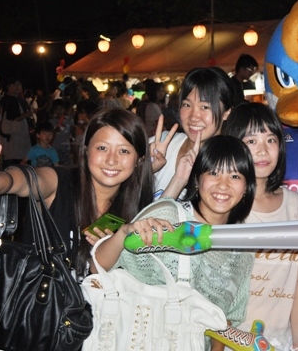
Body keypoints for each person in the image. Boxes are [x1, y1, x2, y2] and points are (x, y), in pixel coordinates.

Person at [0, 107, 172, 279]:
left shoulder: (136, 203)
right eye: (102, 148)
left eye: (124, 151)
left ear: (139, 159)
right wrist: (0, 182)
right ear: (86, 150)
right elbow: (28, 179)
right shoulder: (61, 183)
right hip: (41, 308)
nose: (111, 160)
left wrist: (156, 171)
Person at [92, 135, 256, 349]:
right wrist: (123, 233)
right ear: (197, 179)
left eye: (234, 176)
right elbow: (98, 268)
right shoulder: (168, 217)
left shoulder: (241, 247)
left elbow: (225, 321)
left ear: (246, 187)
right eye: (213, 173)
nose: (223, 185)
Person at [223, 103, 298, 351]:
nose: (263, 151)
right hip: (231, 342)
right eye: (251, 141)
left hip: (281, 341)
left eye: (270, 140)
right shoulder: (225, 206)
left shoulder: (295, 205)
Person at [153, 67, 238, 199]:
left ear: (226, 112)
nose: (193, 117)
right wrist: (146, 171)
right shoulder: (160, 145)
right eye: (187, 105)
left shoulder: (234, 164)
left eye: (205, 107)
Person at [0, 78, 33, 166]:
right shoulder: (11, 99)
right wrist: (26, 115)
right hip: (15, 132)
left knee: (13, 156)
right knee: (16, 158)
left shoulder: (13, 98)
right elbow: (12, 117)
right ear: (8, 86)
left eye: (19, 85)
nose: (17, 87)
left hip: (15, 131)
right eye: (14, 85)